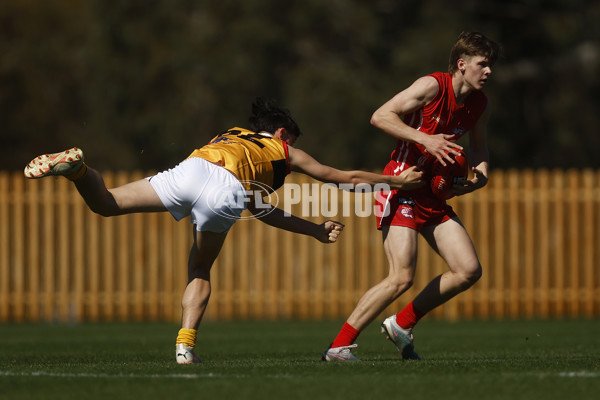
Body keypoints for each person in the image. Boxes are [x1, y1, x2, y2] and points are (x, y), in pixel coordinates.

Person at [24, 98, 424, 364]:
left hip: (193, 167)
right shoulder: (284, 151)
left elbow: (262, 209)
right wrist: (396, 183)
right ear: (283, 134)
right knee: (199, 267)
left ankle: (76, 170)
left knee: (107, 203)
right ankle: (185, 347)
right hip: (226, 188)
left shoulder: (231, 134)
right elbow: (342, 176)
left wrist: (314, 230)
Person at [323, 32, 500, 361]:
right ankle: (338, 347)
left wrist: (482, 175)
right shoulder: (432, 86)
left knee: (468, 269)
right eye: (483, 64)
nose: (489, 72)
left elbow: (478, 146)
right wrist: (426, 139)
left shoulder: (480, 104)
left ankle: (401, 324)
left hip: (433, 193)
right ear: (462, 65)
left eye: (491, 66)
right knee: (401, 276)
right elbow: (380, 115)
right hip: (401, 185)